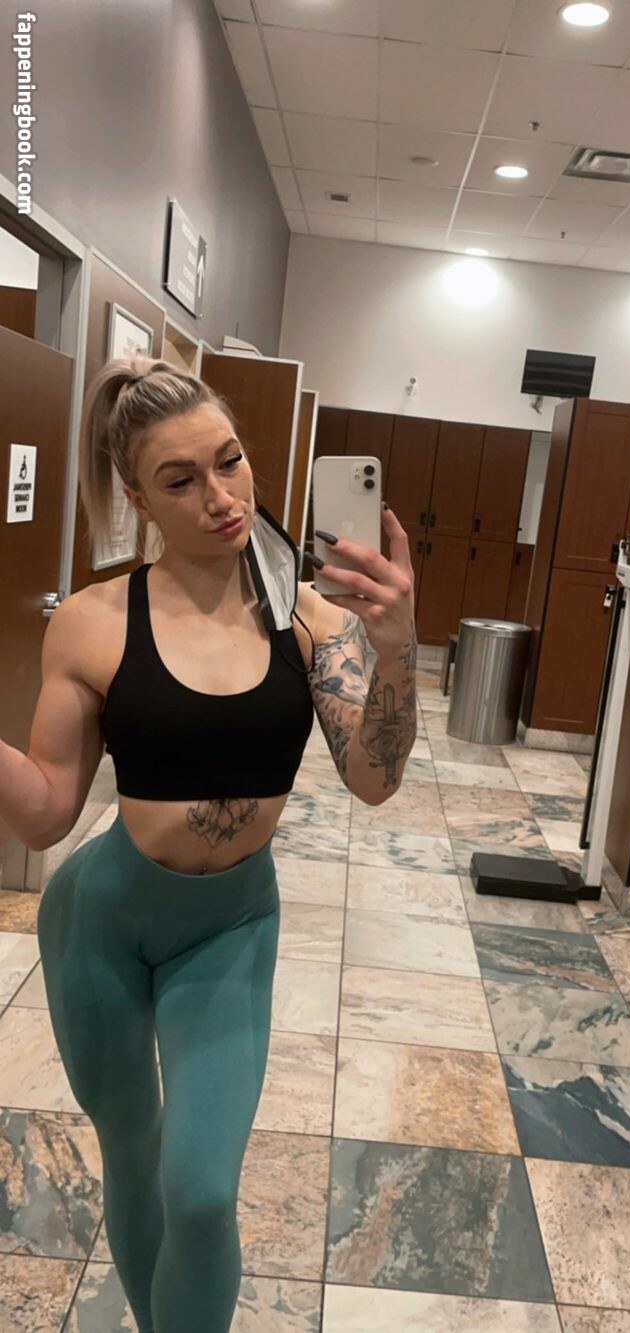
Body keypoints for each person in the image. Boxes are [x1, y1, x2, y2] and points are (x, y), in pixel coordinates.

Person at [1, 355, 417, 1332]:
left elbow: (375, 778)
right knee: (131, 1149)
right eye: (181, 479)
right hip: (101, 921)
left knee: (199, 1190)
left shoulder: (311, 620)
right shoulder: (94, 623)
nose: (222, 497)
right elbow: (47, 813)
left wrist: (396, 647)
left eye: (230, 462)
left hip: (228, 928)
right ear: (137, 497)